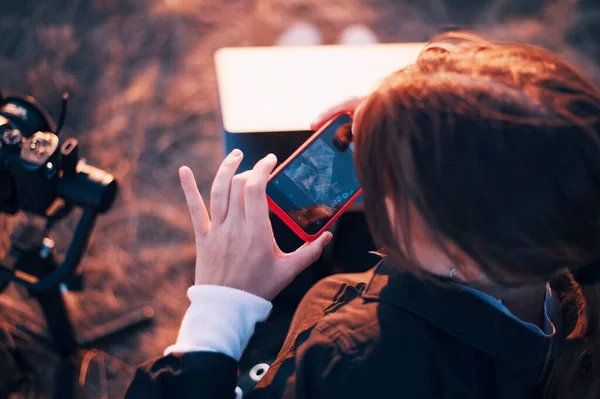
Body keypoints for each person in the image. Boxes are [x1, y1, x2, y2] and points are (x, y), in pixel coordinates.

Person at [126, 30, 600, 399]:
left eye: (386, 182)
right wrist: (403, 115)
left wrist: (218, 308)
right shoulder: (565, 244)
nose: (371, 181)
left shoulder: (351, 364)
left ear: (463, 253)